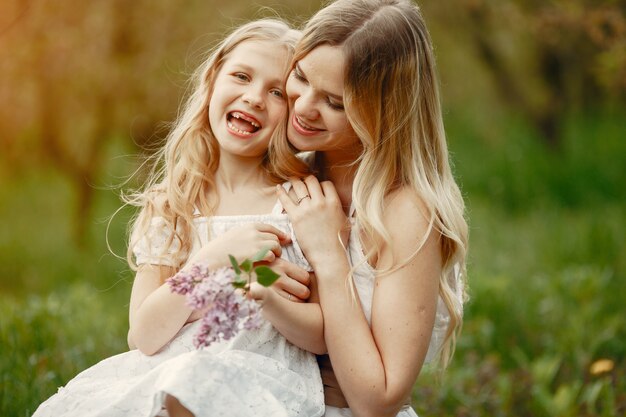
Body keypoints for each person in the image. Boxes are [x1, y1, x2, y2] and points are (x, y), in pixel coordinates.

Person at [32, 19, 325, 417]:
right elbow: (146, 335)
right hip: (168, 371)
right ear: (213, 81)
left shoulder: (297, 202)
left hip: (263, 386)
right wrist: (217, 259)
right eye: (241, 76)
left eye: (276, 92)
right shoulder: (175, 206)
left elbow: (322, 336)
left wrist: (263, 289)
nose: (254, 97)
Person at [271, 0, 469, 416]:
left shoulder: (403, 211)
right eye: (301, 77)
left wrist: (329, 254)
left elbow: (377, 400)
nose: (303, 106)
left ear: (386, 111)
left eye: (335, 102)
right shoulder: (281, 173)